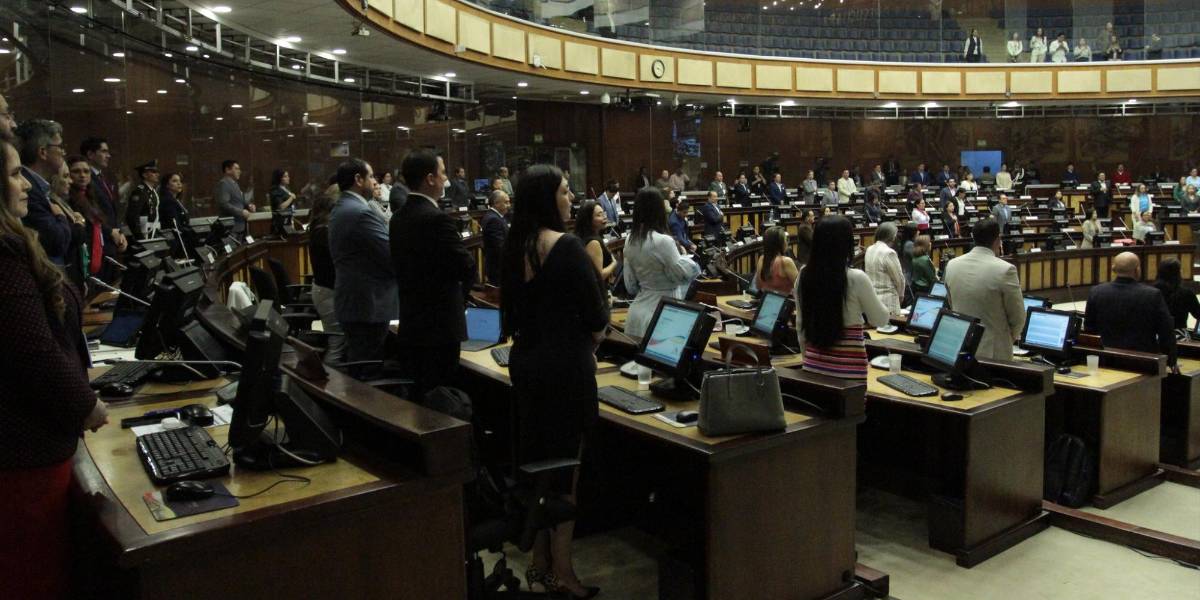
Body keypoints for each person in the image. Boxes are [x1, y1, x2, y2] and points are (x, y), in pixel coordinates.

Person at [2, 135, 110, 598]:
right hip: (23, 454)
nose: (24, 184)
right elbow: (31, 349)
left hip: (28, 444)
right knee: (34, 578)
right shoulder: (2, 259)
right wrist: (84, 404)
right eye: (11, 174)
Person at [499, 164, 606, 600]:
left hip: (525, 364)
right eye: (564, 191)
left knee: (539, 469)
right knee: (566, 473)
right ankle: (563, 571)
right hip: (566, 369)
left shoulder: (513, 245)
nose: (571, 198)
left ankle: (539, 565)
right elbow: (598, 319)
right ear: (548, 198)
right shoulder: (567, 247)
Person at [392, 150, 476, 396]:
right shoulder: (437, 219)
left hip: (411, 322)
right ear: (430, 179)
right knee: (444, 398)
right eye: (442, 173)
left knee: (419, 395)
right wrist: (461, 299)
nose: (445, 179)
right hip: (441, 327)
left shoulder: (397, 218)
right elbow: (467, 265)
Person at [794, 215, 889, 379]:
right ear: (846, 244)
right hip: (849, 375)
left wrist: (806, 359)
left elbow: (800, 325)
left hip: (812, 368)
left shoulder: (803, 275)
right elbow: (881, 319)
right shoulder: (856, 277)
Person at [328, 158, 395, 371]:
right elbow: (391, 256)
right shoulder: (360, 212)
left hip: (356, 302)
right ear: (358, 179)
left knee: (360, 364)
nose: (375, 181)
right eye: (371, 176)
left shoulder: (343, 206)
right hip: (367, 305)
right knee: (367, 371)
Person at [622, 187, 700, 338]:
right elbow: (681, 276)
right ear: (659, 211)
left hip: (637, 313)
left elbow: (631, 286)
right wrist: (692, 264)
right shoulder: (663, 241)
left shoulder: (629, 240)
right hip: (663, 313)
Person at [944, 218, 1025, 360]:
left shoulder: (952, 265)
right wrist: (1006, 339)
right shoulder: (1005, 269)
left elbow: (952, 304)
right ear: (998, 240)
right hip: (994, 351)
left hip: (960, 344)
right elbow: (1018, 317)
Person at [1085, 252, 1176, 370]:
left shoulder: (1096, 292)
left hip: (1106, 360)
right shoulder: (1152, 295)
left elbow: (1089, 329)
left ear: (1113, 269)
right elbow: (1166, 331)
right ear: (1137, 270)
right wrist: (1171, 361)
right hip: (1142, 361)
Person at [14, 120, 72, 267]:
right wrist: (61, 217)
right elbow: (56, 241)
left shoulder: (40, 187)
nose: (63, 152)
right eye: (59, 146)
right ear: (43, 152)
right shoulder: (29, 190)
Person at [305, 188, 346, 365]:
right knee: (337, 342)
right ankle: (330, 384)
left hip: (323, 289)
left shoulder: (317, 229)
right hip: (328, 291)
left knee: (337, 341)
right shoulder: (323, 233)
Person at [65, 156, 110, 282]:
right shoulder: (67, 200)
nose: (82, 175)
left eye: (86, 171)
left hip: (97, 259)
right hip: (80, 262)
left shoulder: (91, 196)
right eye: (76, 171)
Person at [79, 137, 125, 254]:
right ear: (90, 154)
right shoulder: (85, 180)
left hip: (112, 239)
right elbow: (91, 211)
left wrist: (119, 232)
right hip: (98, 241)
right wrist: (109, 231)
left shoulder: (105, 178)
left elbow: (113, 209)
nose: (108, 156)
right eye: (104, 151)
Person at [865, 222, 906, 315]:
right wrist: (901, 296)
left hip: (873, 299)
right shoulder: (889, 252)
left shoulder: (870, 249)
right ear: (892, 236)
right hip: (888, 303)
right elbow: (899, 279)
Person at [574, 199, 615, 285]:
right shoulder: (593, 243)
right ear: (588, 220)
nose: (604, 217)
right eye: (599, 215)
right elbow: (599, 276)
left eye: (603, 213)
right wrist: (614, 263)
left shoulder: (585, 236)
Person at [1154, 258, 1200, 330]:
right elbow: (1198, 314)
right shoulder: (1186, 293)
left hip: (1154, 336)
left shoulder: (1150, 293)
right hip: (1179, 336)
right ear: (1178, 273)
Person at [754, 226, 798, 296]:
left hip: (765, 302)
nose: (787, 243)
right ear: (780, 243)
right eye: (786, 240)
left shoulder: (761, 259)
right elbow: (800, 288)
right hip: (784, 304)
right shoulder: (786, 261)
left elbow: (758, 286)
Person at [215, 159, 253, 235]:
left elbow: (238, 201)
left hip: (240, 226)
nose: (239, 171)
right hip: (230, 227)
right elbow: (224, 204)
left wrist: (249, 205)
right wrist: (241, 212)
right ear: (227, 170)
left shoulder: (235, 184)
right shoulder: (224, 183)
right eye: (236, 169)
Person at [125, 160, 161, 239]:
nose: (157, 174)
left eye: (157, 172)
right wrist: (139, 237)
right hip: (145, 234)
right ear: (144, 175)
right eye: (153, 172)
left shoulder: (152, 192)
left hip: (153, 232)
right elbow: (132, 217)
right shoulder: (140, 192)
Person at [480, 190, 510, 284]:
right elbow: (499, 247)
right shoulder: (493, 219)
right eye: (506, 202)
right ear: (496, 203)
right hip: (498, 268)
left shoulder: (496, 217)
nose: (509, 205)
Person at [268, 168, 296, 236]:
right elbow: (281, 207)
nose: (288, 178)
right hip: (280, 224)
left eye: (288, 176)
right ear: (279, 178)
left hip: (288, 220)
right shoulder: (275, 190)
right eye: (285, 176)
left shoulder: (287, 188)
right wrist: (291, 198)